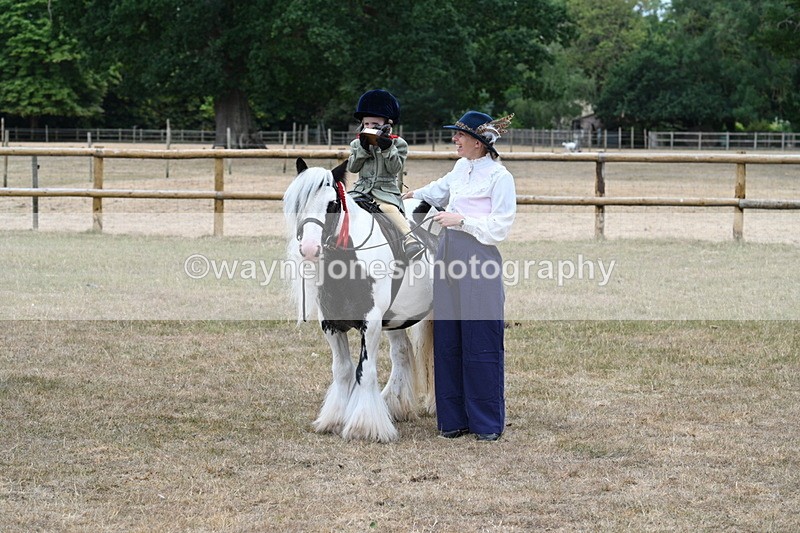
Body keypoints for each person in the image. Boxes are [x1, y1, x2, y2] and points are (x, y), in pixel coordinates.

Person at [402, 111, 516, 441]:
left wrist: (462, 220)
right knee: (448, 335)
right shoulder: (459, 169)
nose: (455, 140)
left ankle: (485, 423)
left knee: (479, 338)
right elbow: (439, 190)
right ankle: (452, 419)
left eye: (460, 136)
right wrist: (412, 194)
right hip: (447, 252)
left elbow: (500, 227)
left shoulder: (500, 177)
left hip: (478, 256)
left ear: (479, 143)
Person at [347, 89, 425, 260]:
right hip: (361, 190)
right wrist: (362, 149)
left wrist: (387, 148)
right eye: (366, 124)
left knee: (388, 209)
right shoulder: (356, 143)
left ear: (387, 124)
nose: (369, 128)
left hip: (385, 192)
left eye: (374, 125)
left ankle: (410, 240)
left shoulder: (399, 143)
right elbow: (352, 168)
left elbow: (395, 168)